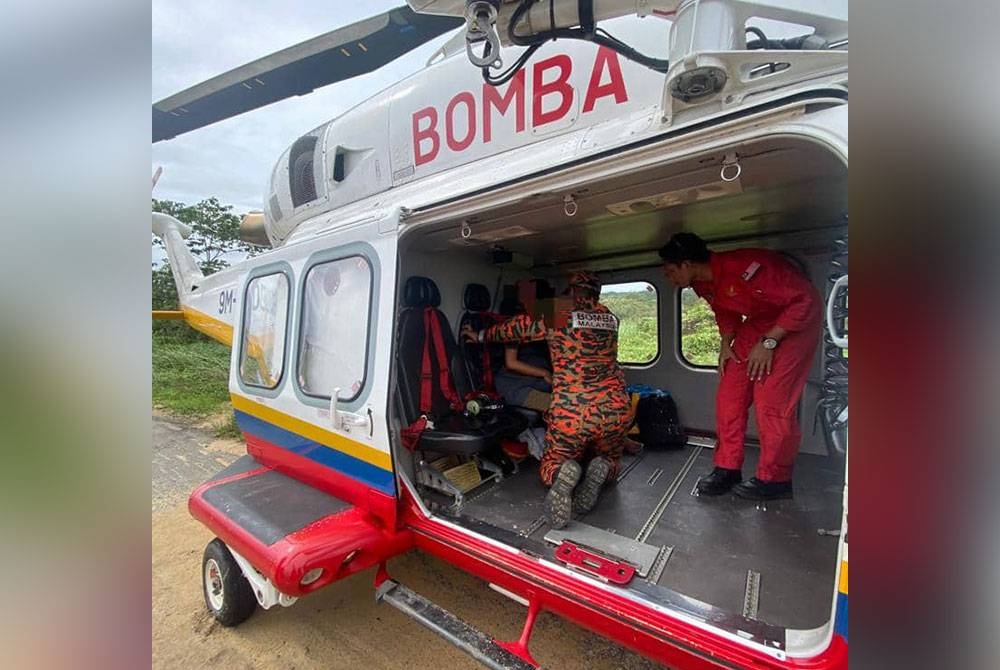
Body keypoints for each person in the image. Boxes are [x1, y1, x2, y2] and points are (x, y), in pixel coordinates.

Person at [461, 271, 631, 528]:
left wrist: (481, 336)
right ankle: (604, 468)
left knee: (553, 463)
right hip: (615, 407)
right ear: (596, 293)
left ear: (572, 289)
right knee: (610, 458)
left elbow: (512, 329)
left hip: (573, 411)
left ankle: (563, 473)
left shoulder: (559, 310)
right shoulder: (610, 317)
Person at [659, 232, 822, 500]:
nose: (669, 278)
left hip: (794, 324)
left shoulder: (748, 267)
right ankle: (727, 468)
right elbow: (724, 308)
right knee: (729, 397)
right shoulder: (702, 282)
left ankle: (775, 480)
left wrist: (769, 343)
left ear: (686, 264)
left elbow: (807, 301)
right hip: (758, 322)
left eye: (670, 271)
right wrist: (727, 340)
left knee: (771, 402)